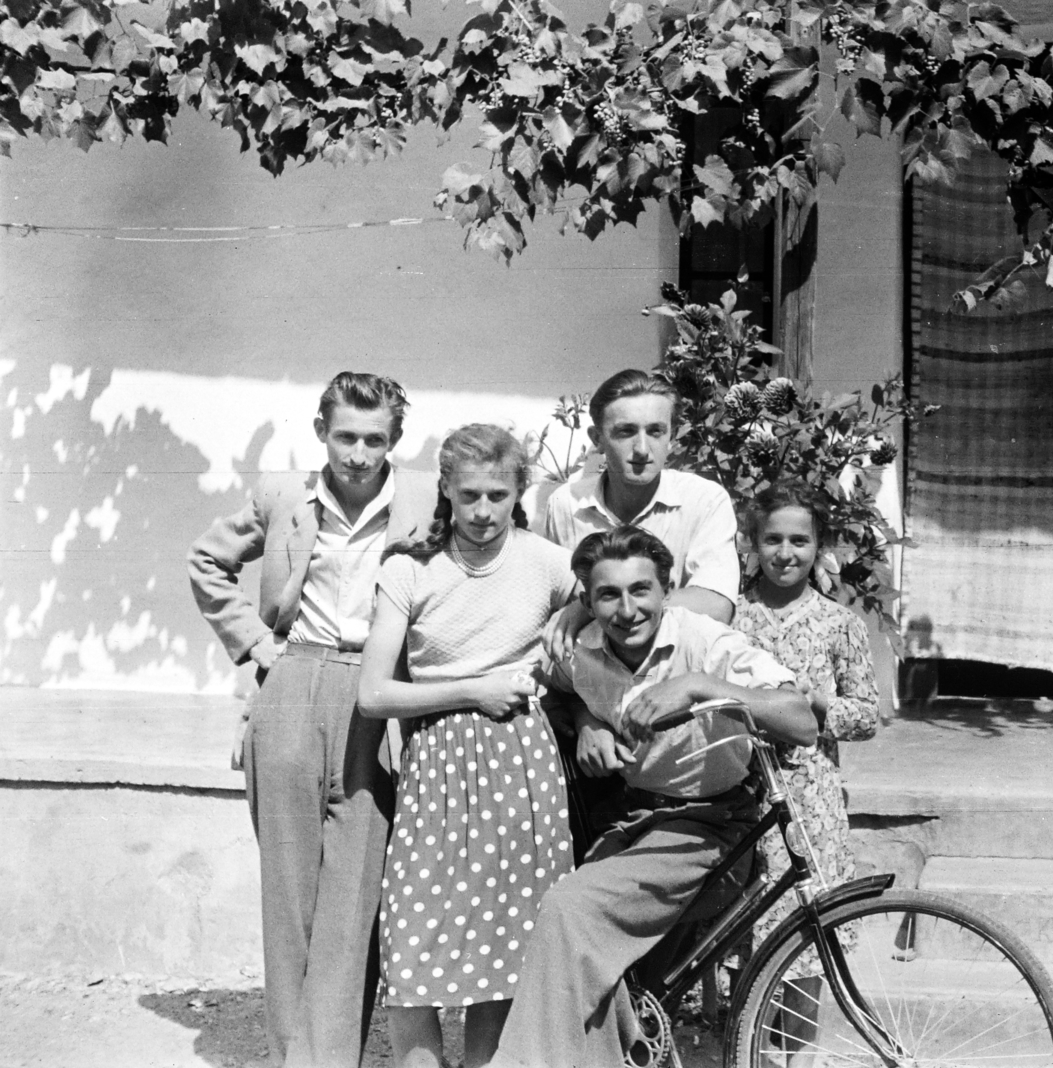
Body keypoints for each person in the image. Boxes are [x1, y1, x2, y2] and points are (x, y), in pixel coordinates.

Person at [488, 526, 816, 1068]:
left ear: (667, 589)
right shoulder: (582, 649)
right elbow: (557, 692)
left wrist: (700, 686)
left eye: (641, 590)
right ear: (588, 601)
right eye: (608, 595)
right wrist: (587, 720)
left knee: (571, 908)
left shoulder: (704, 641)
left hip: (711, 828)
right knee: (603, 971)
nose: (627, 609)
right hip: (636, 823)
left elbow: (800, 722)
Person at [188, 372, 434, 1068]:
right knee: (289, 886)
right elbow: (207, 560)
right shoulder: (283, 496)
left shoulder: (425, 499)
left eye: (375, 439)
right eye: (347, 436)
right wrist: (256, 644)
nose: (359, 454)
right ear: (322, 429)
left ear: (396, 440)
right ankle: (294, 1055)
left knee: (358, 892)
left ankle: (327, 1057)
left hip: (377, 692)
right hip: (293, 680)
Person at [356, 424, 576, 1068]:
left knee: (503, 940)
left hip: (520, 763)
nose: (483, 513)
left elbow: (610, 604)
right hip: (435, 763)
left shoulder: (547, 562)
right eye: (470, 495)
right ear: (445, 490)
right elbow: (373, 694)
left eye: (498, 496)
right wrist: (471, 691)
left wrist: (573, 612)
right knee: (413, 932)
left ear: (519, 493)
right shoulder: (409, 567)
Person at [731, 481, 882, 1056]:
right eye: (773, 539)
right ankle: (750, 1052)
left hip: (810, 799)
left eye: (799, 540)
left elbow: (867, 715)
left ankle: (801, 1055)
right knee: (751, 927)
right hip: (743, 789)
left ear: (819, 546)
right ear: (753, 543)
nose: (785, 553)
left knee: (811, 931)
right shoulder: (734, 616)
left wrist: (823, 704)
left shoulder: (837, 622)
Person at [540, 368, 740, 655]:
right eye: (626, 431)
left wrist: (590, 610)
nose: (643, 449)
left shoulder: (704, 500)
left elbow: (716, 605)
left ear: (671, 435)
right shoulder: (566, 504)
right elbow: (555, 601)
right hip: (591, 673)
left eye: (656, 431)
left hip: (681, 666)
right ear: (597, 438)